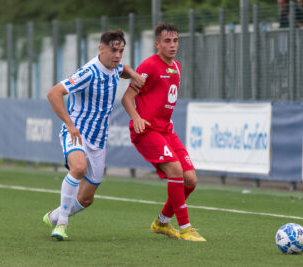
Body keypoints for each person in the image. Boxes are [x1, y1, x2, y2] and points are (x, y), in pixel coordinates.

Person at [42, 30, 145, 241]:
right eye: (113, 50)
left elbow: (122, 69)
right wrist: (69, 124)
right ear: (101, 48)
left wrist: (133, 74)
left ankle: (54, 216)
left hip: (99, 140)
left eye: (121, 51)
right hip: (77, 132)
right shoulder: (89, 72)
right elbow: (54, 93)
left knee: (87, 199)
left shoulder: (115, 67)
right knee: (78, 168)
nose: (117, 55)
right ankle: (61, 224)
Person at [121, 23, 206, 242]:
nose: (172, 45)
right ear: (157, 44)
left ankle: (162, 221)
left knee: (190, 180)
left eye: (175, 40)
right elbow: (127, 98)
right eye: (167, 41)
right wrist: (137, 118)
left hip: (167, 131)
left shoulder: (176, 67)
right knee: (176, 170)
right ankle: (186, 228)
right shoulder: (149, 66)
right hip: (147, 131)